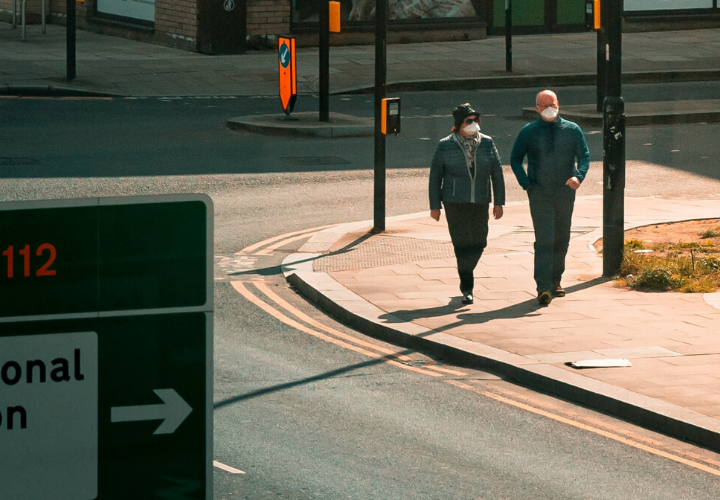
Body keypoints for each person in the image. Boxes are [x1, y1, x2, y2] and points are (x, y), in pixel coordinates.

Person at [510, 90, 590, 305]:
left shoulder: (572, 130)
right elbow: (515, 159)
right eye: (543, 106)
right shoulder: (529, 131)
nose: (548, 109)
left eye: (551, 104)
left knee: (562, 237)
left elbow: (584, 157)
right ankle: (543, 286)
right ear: (537, 108)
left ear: (558, 104)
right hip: (540, 193)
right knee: (545, 238)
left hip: (565, 192)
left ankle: (556, 280)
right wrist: (527, 184)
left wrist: (578, 176)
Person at [429, 103, 506, 305]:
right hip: (455, 201)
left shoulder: (487, 143)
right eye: (469, 121)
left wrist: (499, 202)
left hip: (480, 200)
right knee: (462, 245)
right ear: (458, 124)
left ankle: (466, 269)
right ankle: (467, 288)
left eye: (475, 120)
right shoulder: (445, 145)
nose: (474, 124)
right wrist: (435, 205)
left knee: (480, 242)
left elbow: (497, 173)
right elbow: (435, 176)